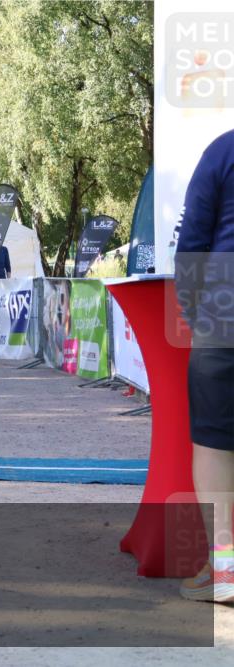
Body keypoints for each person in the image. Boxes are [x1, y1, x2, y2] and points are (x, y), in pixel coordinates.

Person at [175, 129, 234, 603]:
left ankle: (226, 570)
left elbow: (192, 239)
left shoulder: (223, 149)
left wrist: (195, 313)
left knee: (215, 443)